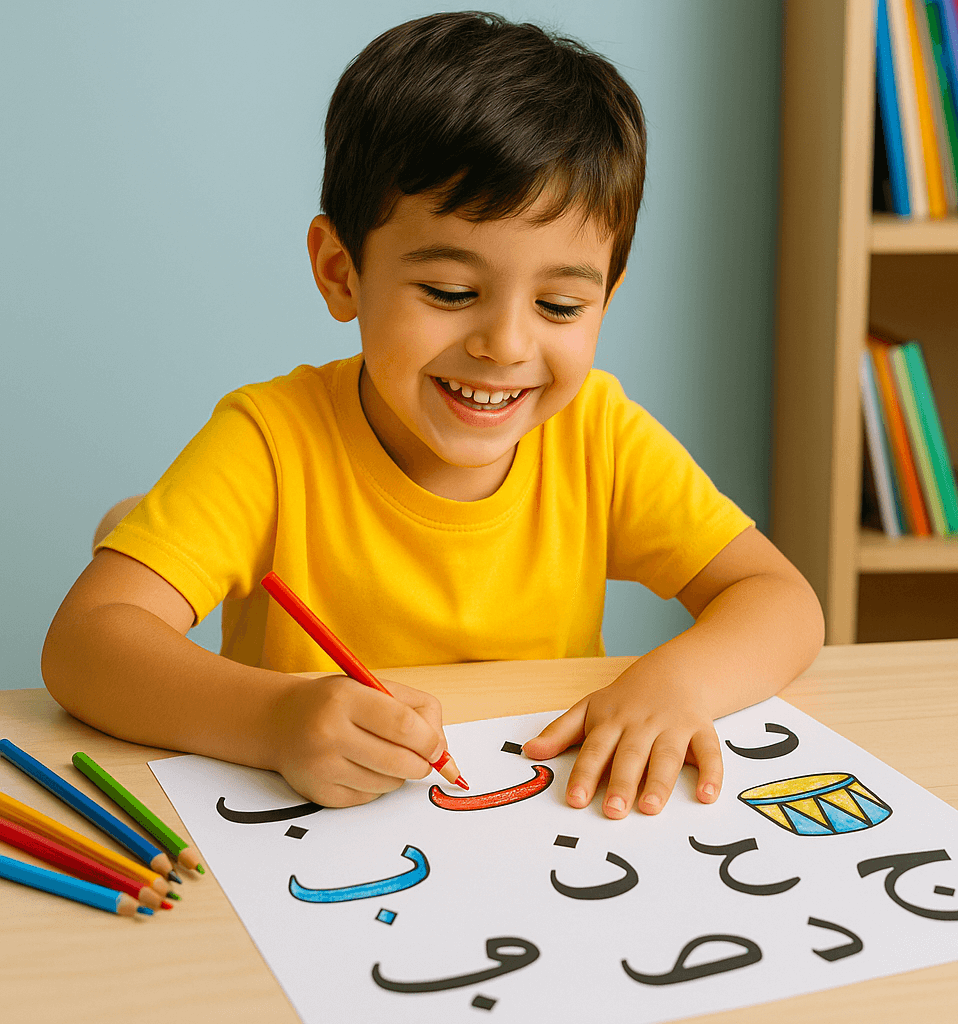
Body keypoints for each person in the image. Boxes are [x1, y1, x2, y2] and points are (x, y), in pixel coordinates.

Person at [42, 11, 823, 820]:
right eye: (451, 293)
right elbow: (83, 643)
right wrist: (276, 720)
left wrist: (675, 682)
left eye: (560, 304)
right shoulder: (272, 442)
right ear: (342, 272)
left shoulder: (599, 435)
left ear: (606, 300)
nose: (505, 344)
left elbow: (781, 600)